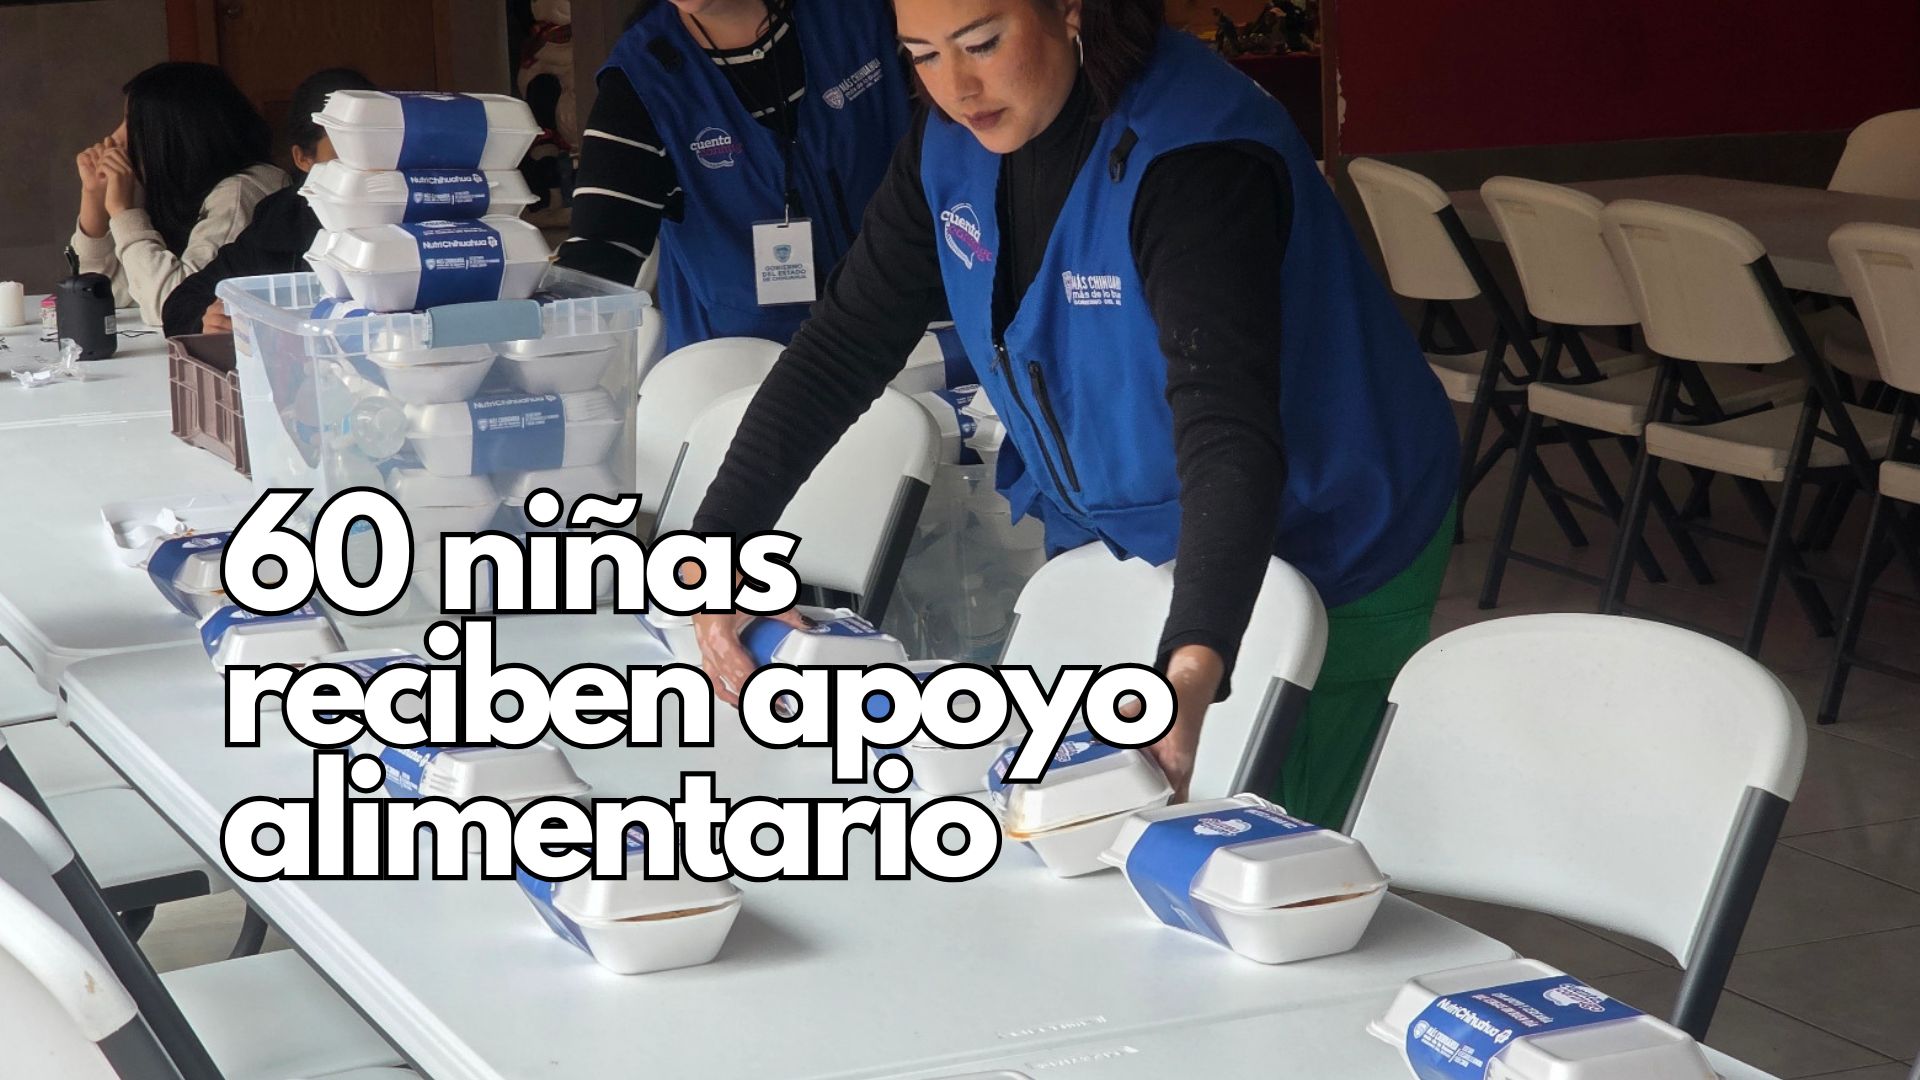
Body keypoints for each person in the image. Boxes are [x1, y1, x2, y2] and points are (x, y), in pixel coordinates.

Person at [686, 0, 1459, 828]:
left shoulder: (1192, 154)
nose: (958, 88)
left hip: (1324, 527)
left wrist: (1190, 667)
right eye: (922, 55)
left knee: (1253, 842)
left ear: (1069, 8)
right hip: (1125, 526)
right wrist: (721, 546)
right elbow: (841, 348)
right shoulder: (953, 143)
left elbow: (1225, 425)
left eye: (983, 44)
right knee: (1081, 818)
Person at [555, 0, 910, 353]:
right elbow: (594, 260)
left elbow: (940, 142)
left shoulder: (861, 16)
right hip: (745, 369)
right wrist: (540, 334)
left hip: (913, 335)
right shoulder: (644, 81)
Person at [163, 68, 378, 338]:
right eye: (345, 151)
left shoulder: (422, 208)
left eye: (377, 145)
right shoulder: (283, 219)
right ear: (303, 158)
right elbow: (183, 301)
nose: (366, 164)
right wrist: (207, 320)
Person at [72, 62, 285, 328]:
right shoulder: (185, 187)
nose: (116, 138)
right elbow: (108, 295)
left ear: (175, 132)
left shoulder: (242, 192)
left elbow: (175, 307)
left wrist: (124, 213)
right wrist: (94, 196)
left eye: (134, 123)